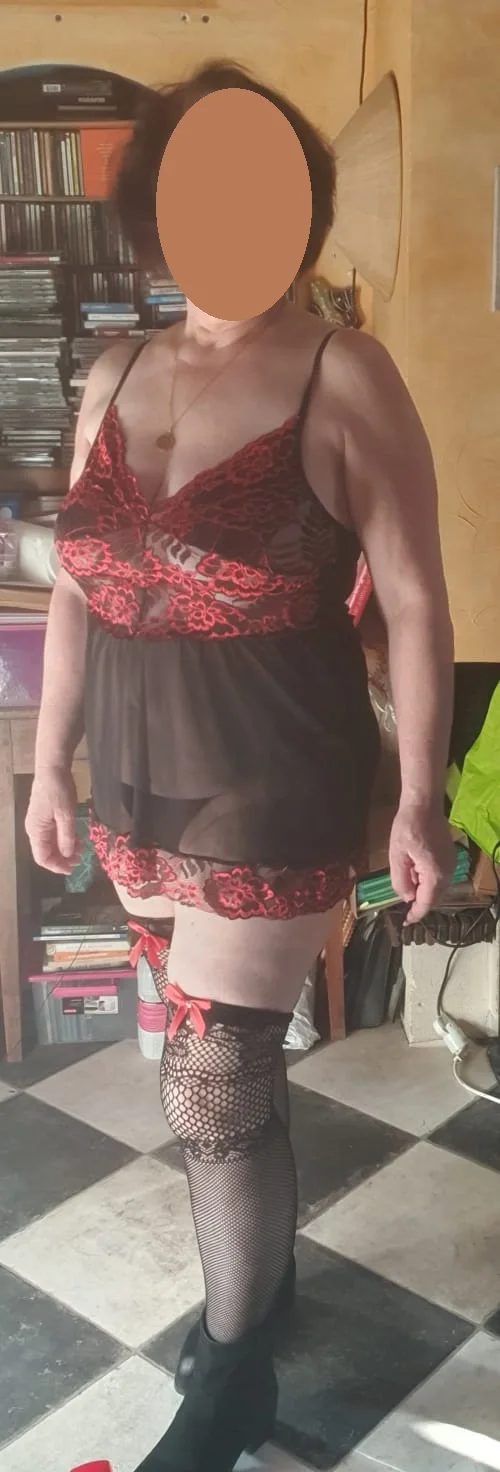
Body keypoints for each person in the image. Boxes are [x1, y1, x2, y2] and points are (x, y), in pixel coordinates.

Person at [25, 59, 454, 1472]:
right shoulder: (114, 372)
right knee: (217, 1064)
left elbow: (414, 600)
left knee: (211, 1079)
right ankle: (257, 1290)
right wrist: (48, 766)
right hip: (135, 779)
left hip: (276, 771)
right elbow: (77, 588)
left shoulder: (343, 370)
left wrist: (419, 795)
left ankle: (231, 1378)